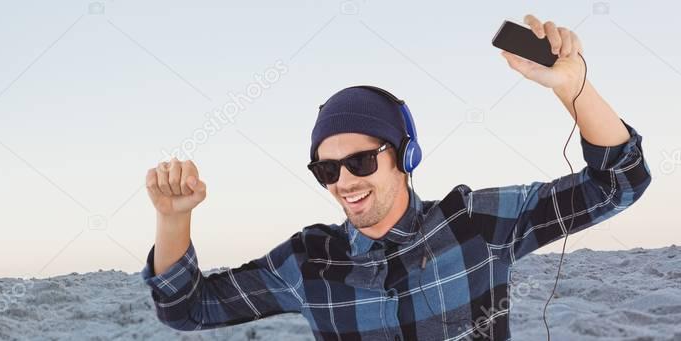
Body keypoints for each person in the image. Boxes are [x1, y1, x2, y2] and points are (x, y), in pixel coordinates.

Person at [139, 14, 652, 340]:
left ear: (405, 155)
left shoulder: (476, 223)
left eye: (361, 160)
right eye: (326, 169)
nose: (344, 181)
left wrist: (574, 88)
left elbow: (619, 182)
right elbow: (187, 310)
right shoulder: (306, 262)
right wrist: (172, 219)